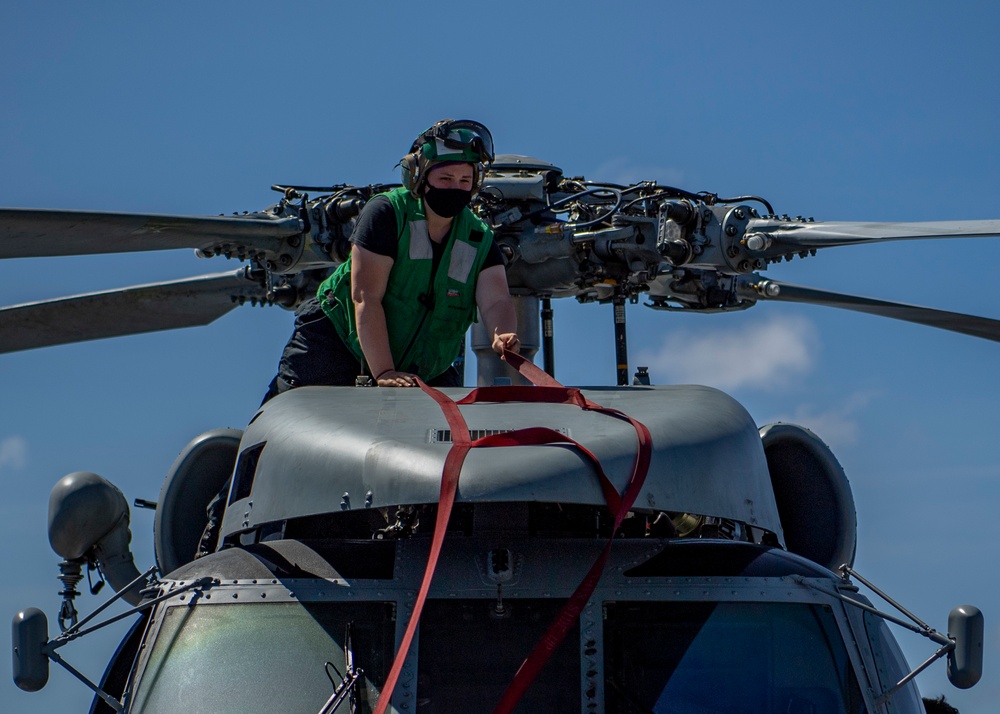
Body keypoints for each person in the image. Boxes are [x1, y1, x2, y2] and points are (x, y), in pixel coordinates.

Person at [263, 119, 519, 401]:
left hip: (421, 371)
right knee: (287, 426)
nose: (455, 187)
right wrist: (384, 371)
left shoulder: (477, 238)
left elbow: (497, 300)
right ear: (419, 177)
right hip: (334, 348)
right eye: (445, 179)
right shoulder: (387, 214)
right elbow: (365, 297)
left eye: (464, 181)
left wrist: (502, 333)